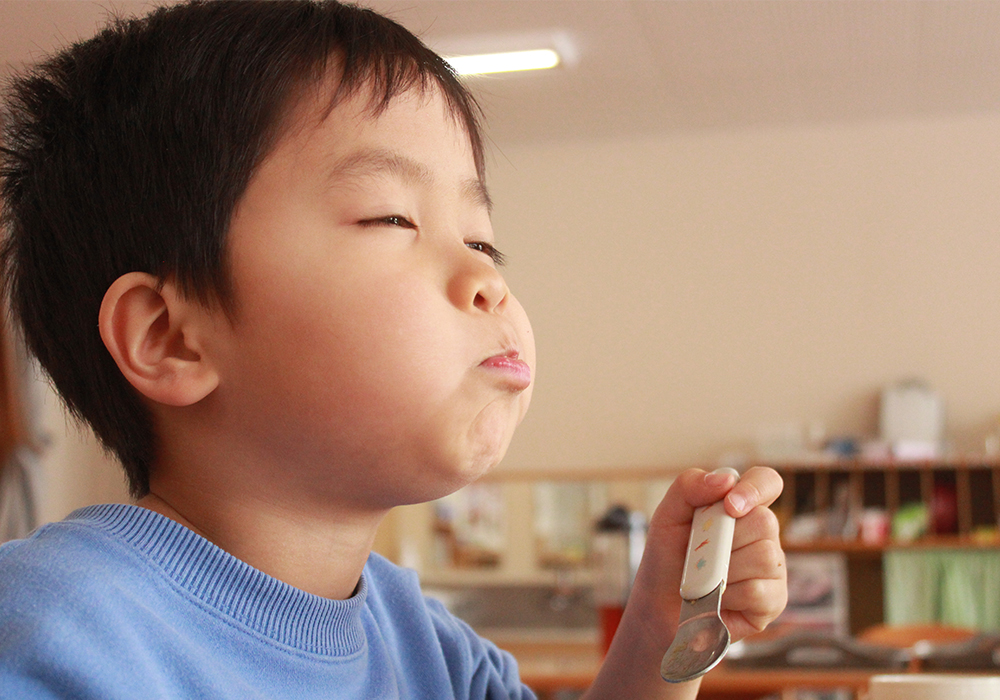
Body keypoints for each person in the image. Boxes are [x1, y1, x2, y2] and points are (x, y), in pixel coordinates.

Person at [0, 1, 787, 698]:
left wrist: (656, 632)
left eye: (482, 239)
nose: (486, 278)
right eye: (391, 219)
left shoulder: (432, 650)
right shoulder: (55, 634)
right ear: (170, 338)